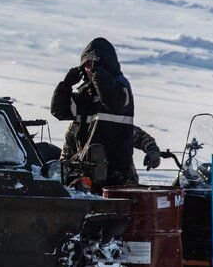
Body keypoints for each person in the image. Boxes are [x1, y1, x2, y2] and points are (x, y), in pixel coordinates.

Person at [51, 38, 151, 190]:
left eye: (93, 64)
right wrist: (66, 85)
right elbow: (59, 111)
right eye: (86, 65)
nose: (89, 69)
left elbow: (112, 102)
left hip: (119, 180)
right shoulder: (85, 95)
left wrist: (152, 150)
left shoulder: (120, 88)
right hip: (87, 178)